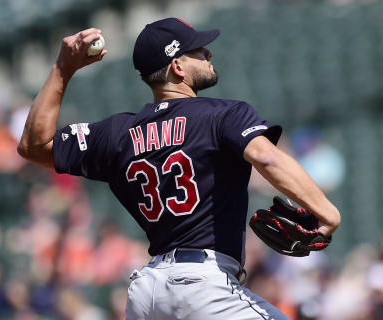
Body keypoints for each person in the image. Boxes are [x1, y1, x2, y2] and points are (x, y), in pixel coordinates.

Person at [17, 17, 341, 320]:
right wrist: (328, 214)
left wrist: (62, 69)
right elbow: (267, 158)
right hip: (203, 285)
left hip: (146, 293)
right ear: (177, 66)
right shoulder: (222, 114)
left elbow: (33, 147)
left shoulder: (116, 134)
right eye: (198, 51)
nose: (208, 53)